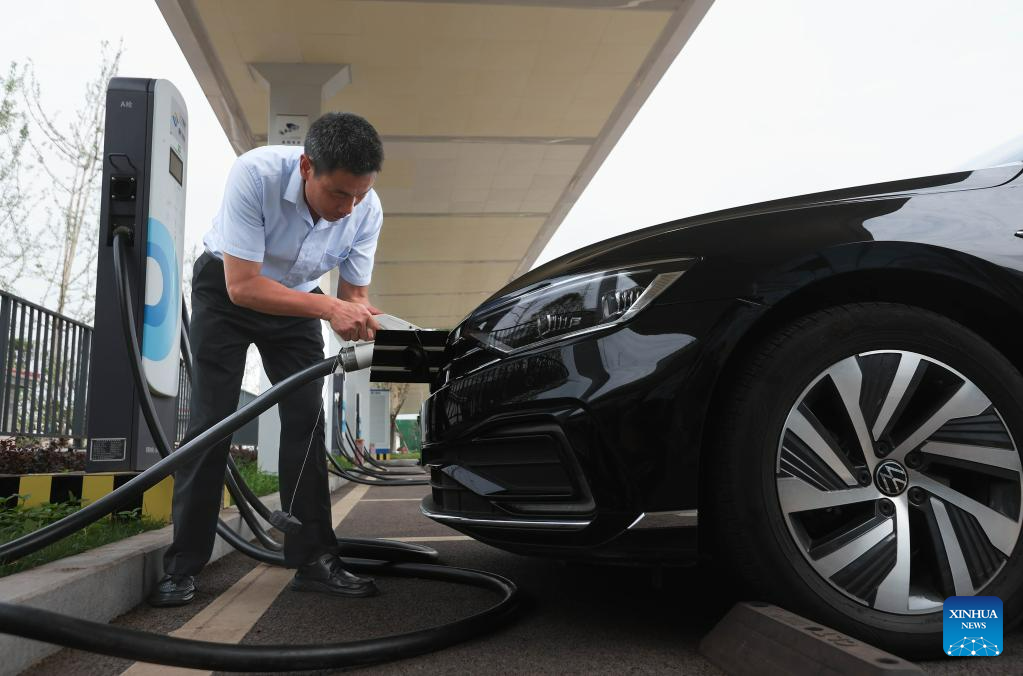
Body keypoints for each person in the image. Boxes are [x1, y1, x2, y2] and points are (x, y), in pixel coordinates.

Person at [148, 112, 385, 607]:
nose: (349, 207)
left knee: (306, 421)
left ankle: (315, 560)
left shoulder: (367, 210)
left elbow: (353, 296)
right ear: (307, 167)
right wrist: (330, 309)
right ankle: (182, 567)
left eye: (359, 195)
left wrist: (366, 320)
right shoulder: (255, 174)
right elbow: (243, 286)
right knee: (213, 422)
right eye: (339, 194)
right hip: (227, 292)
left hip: (297, 299)